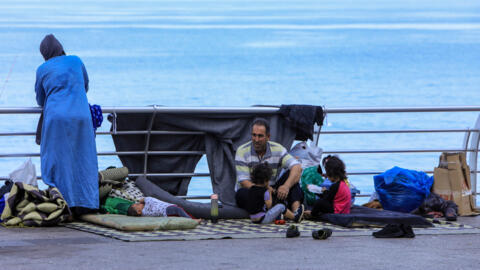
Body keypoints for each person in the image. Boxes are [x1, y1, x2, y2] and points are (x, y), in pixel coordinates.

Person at [35, 34, 99, 217]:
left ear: (44, 53)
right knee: (84, 159)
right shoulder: (76, 60)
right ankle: (88, 204)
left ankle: (63, 203)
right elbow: (85, 86)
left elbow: (40, 99)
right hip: (81, 115)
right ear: (61, 47)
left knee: (57, 160)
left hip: (57, 119)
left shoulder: (42, 69)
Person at [235, 118, 304, 222]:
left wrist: (286, 186)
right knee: (241, 194)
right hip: (253, 191)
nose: (256, 139)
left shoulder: (278, 149)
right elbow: (244, 182)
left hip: (272, 190)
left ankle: (296, 212)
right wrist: (264, 191)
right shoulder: (242, 151)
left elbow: (297, 167)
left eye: (260, 136)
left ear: (268, 137)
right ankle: (278, 211)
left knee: (292, 175)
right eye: (254, 135)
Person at [127, 197, 199, 223]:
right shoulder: (145, 209)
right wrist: (141, 200)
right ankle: (192, 220)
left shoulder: (144, 214)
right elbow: (148, 199)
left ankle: (193, 219)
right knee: (178, 210)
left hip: (166, 212)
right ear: (139, 212)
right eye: (137, 205)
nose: (138, 203)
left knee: (180, 213)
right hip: (166, 210)